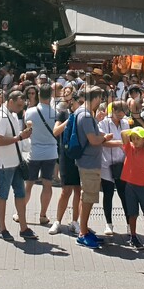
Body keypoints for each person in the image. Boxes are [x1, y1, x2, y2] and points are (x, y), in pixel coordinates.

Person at [0, 90, 36, 241]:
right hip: (5, 163)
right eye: (18, 105)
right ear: (10, 101)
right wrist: (19, 137)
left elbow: (14, 138)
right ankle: (2, 228)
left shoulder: (12, 114)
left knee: (20, 193)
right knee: (3, 194)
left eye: (21, 105)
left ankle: (23, 227)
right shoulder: (1, 116)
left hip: (15, 161)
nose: (20, 108)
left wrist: (22, 136)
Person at [72, 87, 112, 249]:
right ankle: (83, 233)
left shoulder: (81, 112)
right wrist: (105, 137)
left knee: (85, 196)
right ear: (96, 98)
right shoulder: (87, 115)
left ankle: (84, 229)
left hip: (86, 161)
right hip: (89, 162)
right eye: (100, 99)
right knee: (88, 198)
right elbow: (93, 140)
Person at [23, 84, 57, 226]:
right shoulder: (55, 113)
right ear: (51, 96)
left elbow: (27, 128)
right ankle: (43, 214)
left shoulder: (29, 112)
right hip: (50, 152)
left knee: (29, 184)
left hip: (34, 151)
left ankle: (21, 212)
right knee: (47, 184)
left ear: (38, 95)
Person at [51, 92, 81, 235]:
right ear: (72, 102)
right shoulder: (63, 114)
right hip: (66, 155)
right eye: (78, 102)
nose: (80, 105)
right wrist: (68, 121)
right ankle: (58, 221)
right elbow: (55, 131)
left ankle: (75, 222)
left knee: (78, 190)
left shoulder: (85, 115)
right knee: (65, 190)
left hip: (81, 155)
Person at [99, 100, 130, 237]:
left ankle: (130, 224)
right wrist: (120, 142)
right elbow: (103, 142)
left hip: (122, 164)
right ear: (114, 111)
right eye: (120, 113)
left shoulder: (126, 123)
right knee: (108, 194)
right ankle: (108, 223)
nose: (122, 116)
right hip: (106, 164)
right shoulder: (103, 123)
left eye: (124, 113)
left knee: (124, 195)